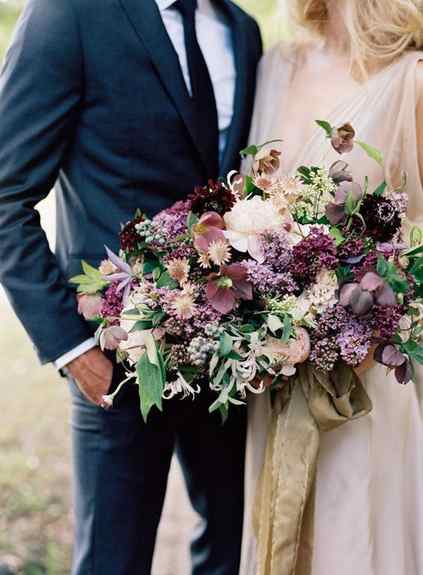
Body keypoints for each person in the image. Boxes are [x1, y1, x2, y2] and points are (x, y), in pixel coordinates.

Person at [0, 0, 262, 573]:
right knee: (113, 561)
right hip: (116, 359)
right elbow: (5, 197)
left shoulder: (242, 31)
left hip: (233, 353)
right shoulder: (68, 15)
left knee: (234, 548)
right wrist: (72, 347)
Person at [240, 1, 423, 573]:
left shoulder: (409, 77)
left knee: (352, 538)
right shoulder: (277, 62)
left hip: (363, 376)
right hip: (274, 372)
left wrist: (375, 325)